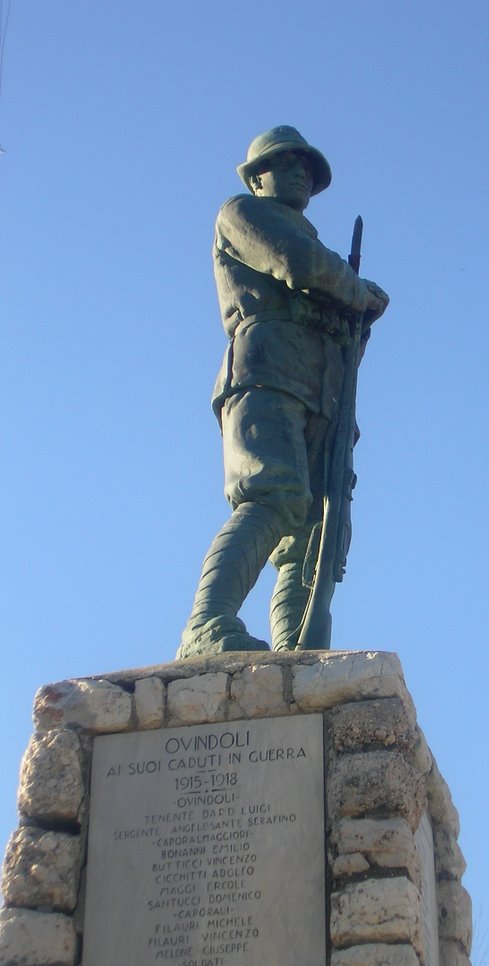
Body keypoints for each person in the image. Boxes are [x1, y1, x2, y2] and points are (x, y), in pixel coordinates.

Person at [176, 126, 388, 658]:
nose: (301, 173)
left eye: (308, 168)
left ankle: (296, 651)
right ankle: (207, 622)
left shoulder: (326, 259)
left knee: (317, 530)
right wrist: (357, 292)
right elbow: (295, 264)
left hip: (325, 392)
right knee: (273, 495)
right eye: (288, 162)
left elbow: (343, 334)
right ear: (258, 176)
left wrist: (355, 319)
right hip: (267, 370)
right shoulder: (244, 214)